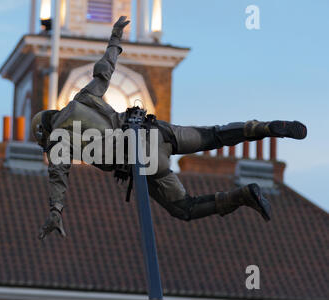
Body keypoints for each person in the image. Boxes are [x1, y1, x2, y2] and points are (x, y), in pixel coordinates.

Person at [32, 16, 307, 240]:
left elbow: (59, 179)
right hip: (155, 132)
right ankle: (266, 127)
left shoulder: (58, 141)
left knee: (184, 208)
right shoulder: (82, 99)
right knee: (215, 135)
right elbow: (104, 70)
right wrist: (115, 39)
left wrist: (55, 212)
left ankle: (243, 196)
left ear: (45, 133)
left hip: (146, 162)